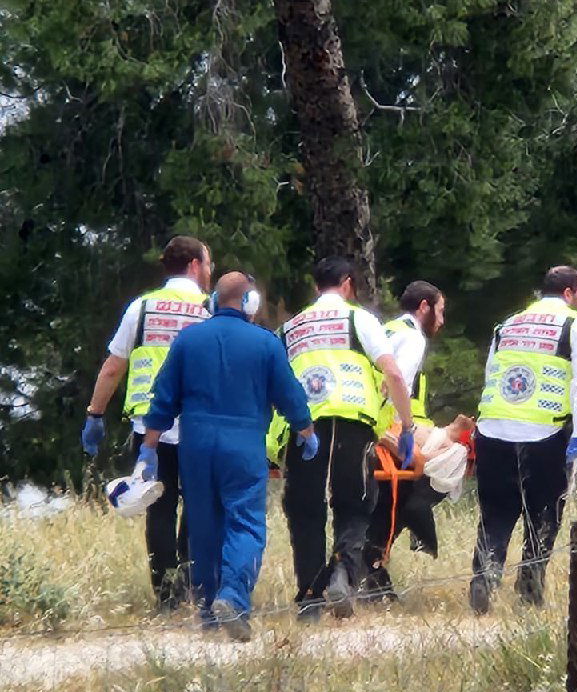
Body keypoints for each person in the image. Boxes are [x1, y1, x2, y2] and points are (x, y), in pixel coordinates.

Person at [141, 271, 317, 641]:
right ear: (250, 302)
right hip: (243, 444)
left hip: (196, 446)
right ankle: (233, 598)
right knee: (245, 522)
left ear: (214, 301)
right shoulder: (265, 343)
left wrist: (150, 447)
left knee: (204, 526)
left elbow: (162, 398)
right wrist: (306, 430)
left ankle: (207, 613)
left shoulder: (188, 340)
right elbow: (291, 397)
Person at [279, 257, 417, 619]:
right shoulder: (359, 319)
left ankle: (309, 599)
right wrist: (408, 426)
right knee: (355, 504)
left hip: (303, 425)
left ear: (315, 288)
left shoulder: (292, 326)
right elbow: (394, 374)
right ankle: (342, 572)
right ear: (347, 284)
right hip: (352, 422)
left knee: (305, 510)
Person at [81, 235, 212, 611]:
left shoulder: (142, 307)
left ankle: (166, 596)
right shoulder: (210, 307)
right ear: (193, 265)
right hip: (199, 422)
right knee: (198, 504)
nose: (209, 271)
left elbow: (113, 366)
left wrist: (95, 414)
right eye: (208, 264)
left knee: (159, 506)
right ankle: (190, 583)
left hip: (149, 427)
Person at [469, 265, 577, 614]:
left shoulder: (507, 325)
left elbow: (489, 376)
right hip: (545, 432)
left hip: (493, 431)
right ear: (569, 293)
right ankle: (529, 588)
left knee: (495, 514)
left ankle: (484, 579)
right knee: (543, 515)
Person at [363, 280, 448, 597]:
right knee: (434, 473)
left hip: (364, 424)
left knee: (377, 506)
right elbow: (395, 386)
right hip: (385, 428)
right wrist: (401, 436)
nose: (441, 321)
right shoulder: (412, 339)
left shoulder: (386, 331)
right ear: (423, 307)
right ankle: (375, 566)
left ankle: (370, 572)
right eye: (439, 312)